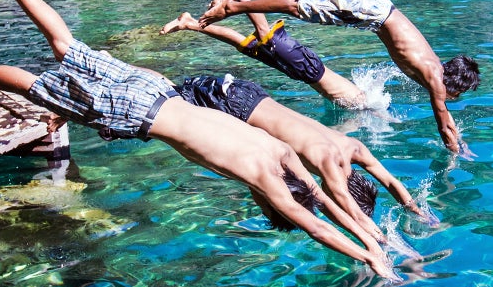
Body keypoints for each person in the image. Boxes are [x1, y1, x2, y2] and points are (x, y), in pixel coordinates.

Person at [0, 0, 394, 278]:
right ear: (272, 201)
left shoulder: (282, 151)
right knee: (38, 87)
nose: (264, 205)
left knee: (66, 46)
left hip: (161, 89)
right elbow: (313, 220)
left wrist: (370, 237)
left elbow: (326, 202)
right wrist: (370, 259)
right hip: (139, 114)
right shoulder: (266, 178)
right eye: (269, 208)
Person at [195, 0, 480, 153]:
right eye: (459, 92)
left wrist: (458, 135)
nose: (454, 97)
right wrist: (457, 151)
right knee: (300, 7)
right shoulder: (434, 77)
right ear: (453, 83)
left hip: (379, 7)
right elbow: (443, 124)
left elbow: (447, 119)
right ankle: (232, 7)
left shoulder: (433, 66)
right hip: (372, 13)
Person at [173, 72, 437, 245]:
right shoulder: (329, 168)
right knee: (168, 99)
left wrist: (414, 208)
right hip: (234, 107)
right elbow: (350, 212)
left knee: (168, 97)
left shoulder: (354, 148)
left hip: (252, 94)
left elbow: (390, 182)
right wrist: (383, 242)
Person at [160, 11, 370, 107]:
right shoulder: (364, 104)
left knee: (242, 45)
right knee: (263, 32)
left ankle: (189, 23)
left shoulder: (360, 98)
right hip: (309, 68)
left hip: (300, 72)